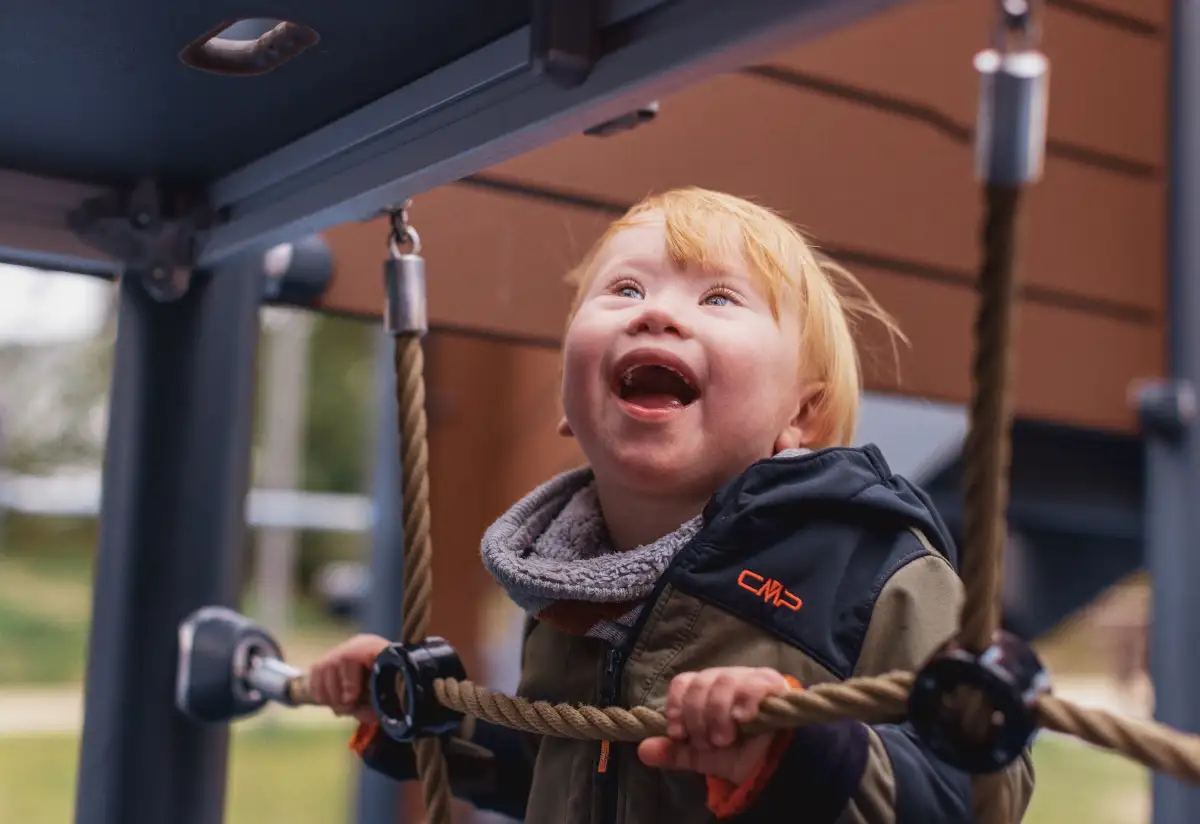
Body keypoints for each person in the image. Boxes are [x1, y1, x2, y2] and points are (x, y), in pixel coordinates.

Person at [308, 187, 1035, 823]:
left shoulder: (872, 571)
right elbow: (564, 770)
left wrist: (799, 749)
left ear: (800, 417)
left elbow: (982, 792)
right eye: (625, 289)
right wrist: (429, 720)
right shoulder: (571, 584)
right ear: (569, 403)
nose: (656, 312)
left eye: (719, 298)